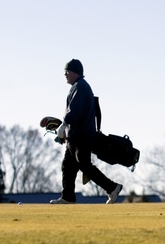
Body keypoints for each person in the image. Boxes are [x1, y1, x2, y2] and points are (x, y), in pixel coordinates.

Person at [50, 59, 122, 204]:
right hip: (76, 136)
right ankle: (68, 197)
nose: (65, 74)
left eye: (67, 71)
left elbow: (74, 111)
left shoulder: (80, 87)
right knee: (68, 167)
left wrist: (64, 125)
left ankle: (112, 187)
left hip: (81, 137)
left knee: (84, 166)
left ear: (75, 72)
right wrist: (65, 133)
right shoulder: (78, 86)